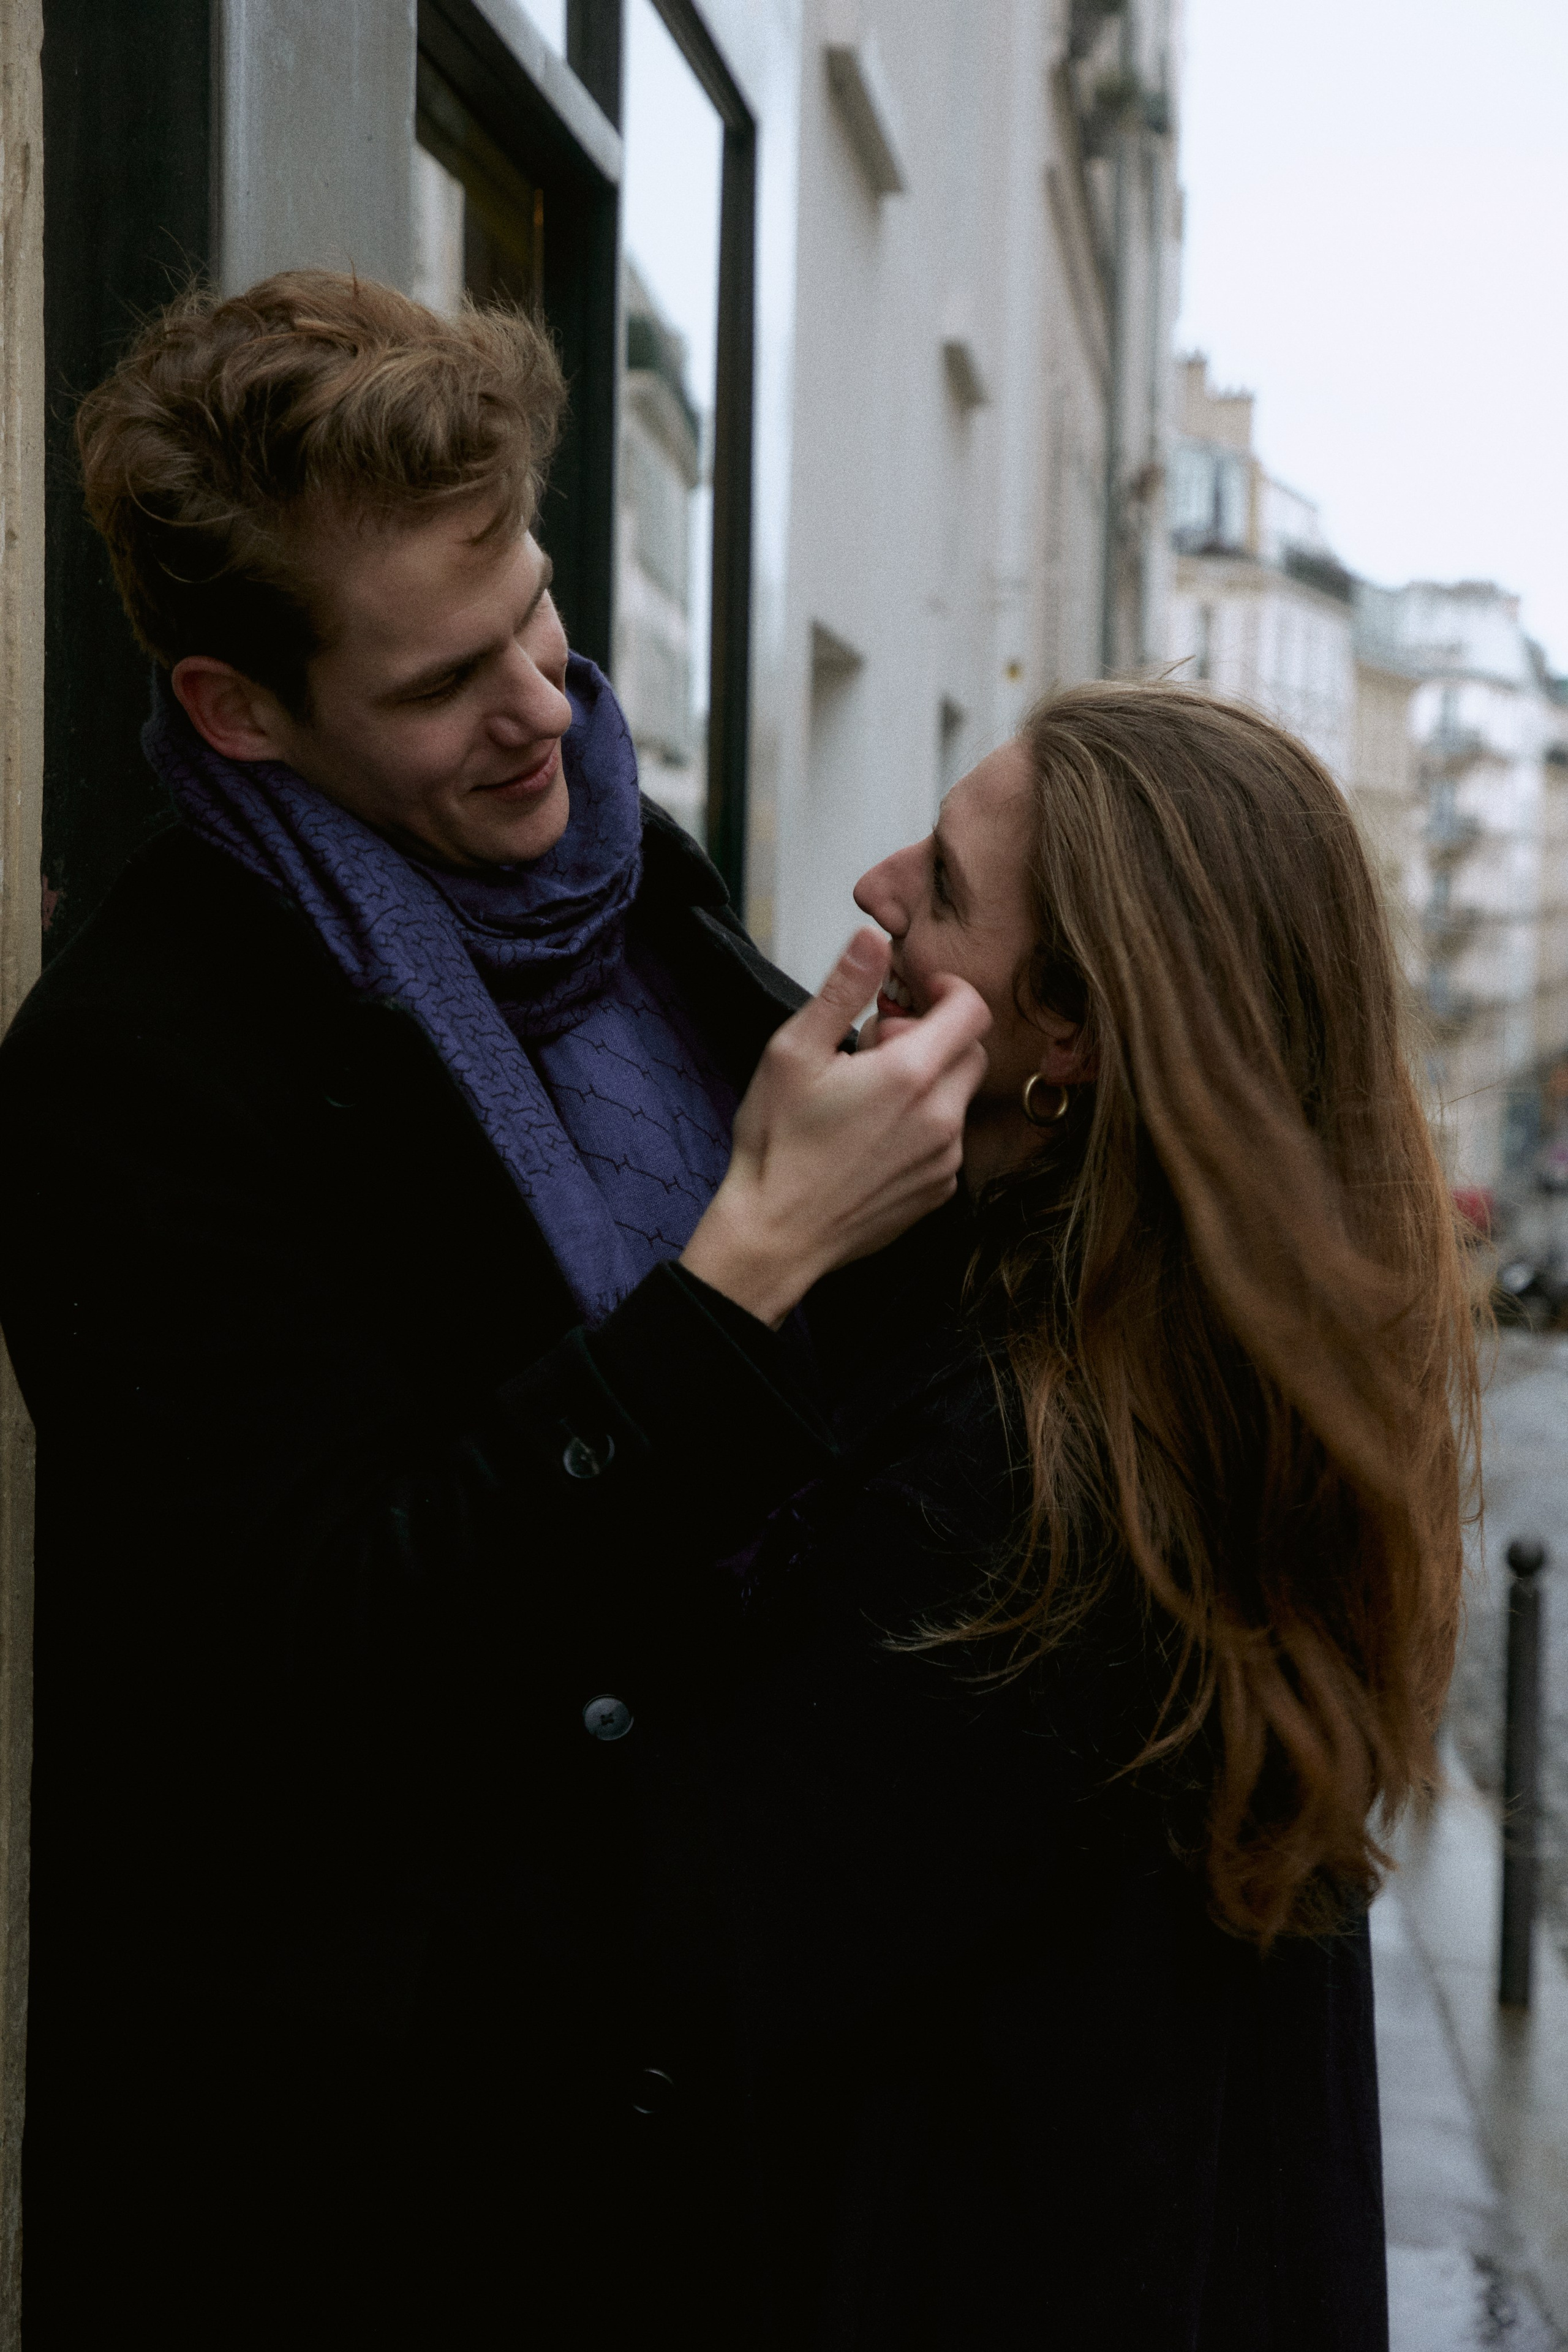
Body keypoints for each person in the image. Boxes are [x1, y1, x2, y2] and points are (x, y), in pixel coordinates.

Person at [0, 273, 989, 2345]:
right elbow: (339, 1644)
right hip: (388, 2185)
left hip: (709, 2101)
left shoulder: (627, 874)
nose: (546, 706)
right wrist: (749, 1269)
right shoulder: (133, 1069)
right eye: (448, 680)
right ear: (239, 710)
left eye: (537, 614)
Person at [689, 683, 1479, 2348]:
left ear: (1071, 1038)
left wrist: (749, 1263)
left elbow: (699, 1960)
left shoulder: (1020, 1492)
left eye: (944, 888)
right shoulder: (1217, 1397)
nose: (875, 890)